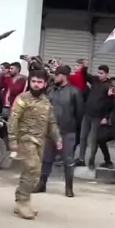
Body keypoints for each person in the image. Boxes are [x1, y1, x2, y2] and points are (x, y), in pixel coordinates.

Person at [9, 69, 61, 219]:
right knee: (32, 169)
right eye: (33, 81)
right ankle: (23, 202)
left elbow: (51, 122)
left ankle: (21, 200)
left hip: (40, 141)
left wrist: (57, 138)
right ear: (29, 82)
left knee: (30, 172)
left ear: (44, 84)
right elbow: (13, 120)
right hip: (25, 140)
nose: (36, 85)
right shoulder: (22, 99)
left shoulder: (46, 101)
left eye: (39, 82)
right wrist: (12, 140)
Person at [36, 65, 83, 198]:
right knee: (46, 159)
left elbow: (79, 113)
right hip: (50, 131)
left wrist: (73, 128)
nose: (54, 77)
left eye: (56, 75)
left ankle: (69, 188)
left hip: (68, 131)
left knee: (68, 160)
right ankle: (42, 184)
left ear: (64, 76)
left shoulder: (74, 92)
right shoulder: (50, 90)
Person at [77, 63, 113, 170]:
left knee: (93, 140)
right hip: (87, 114)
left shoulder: (109, 86)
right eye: (98, 72)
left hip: (97, 117)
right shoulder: (95, 80)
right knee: (82, 137)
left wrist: (106, 117)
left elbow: (111, 105)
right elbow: (85, 75)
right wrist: (85, 67)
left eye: (101, 73)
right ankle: (81, 159)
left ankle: (91, 160)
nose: (99, 75)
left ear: (107, 74)